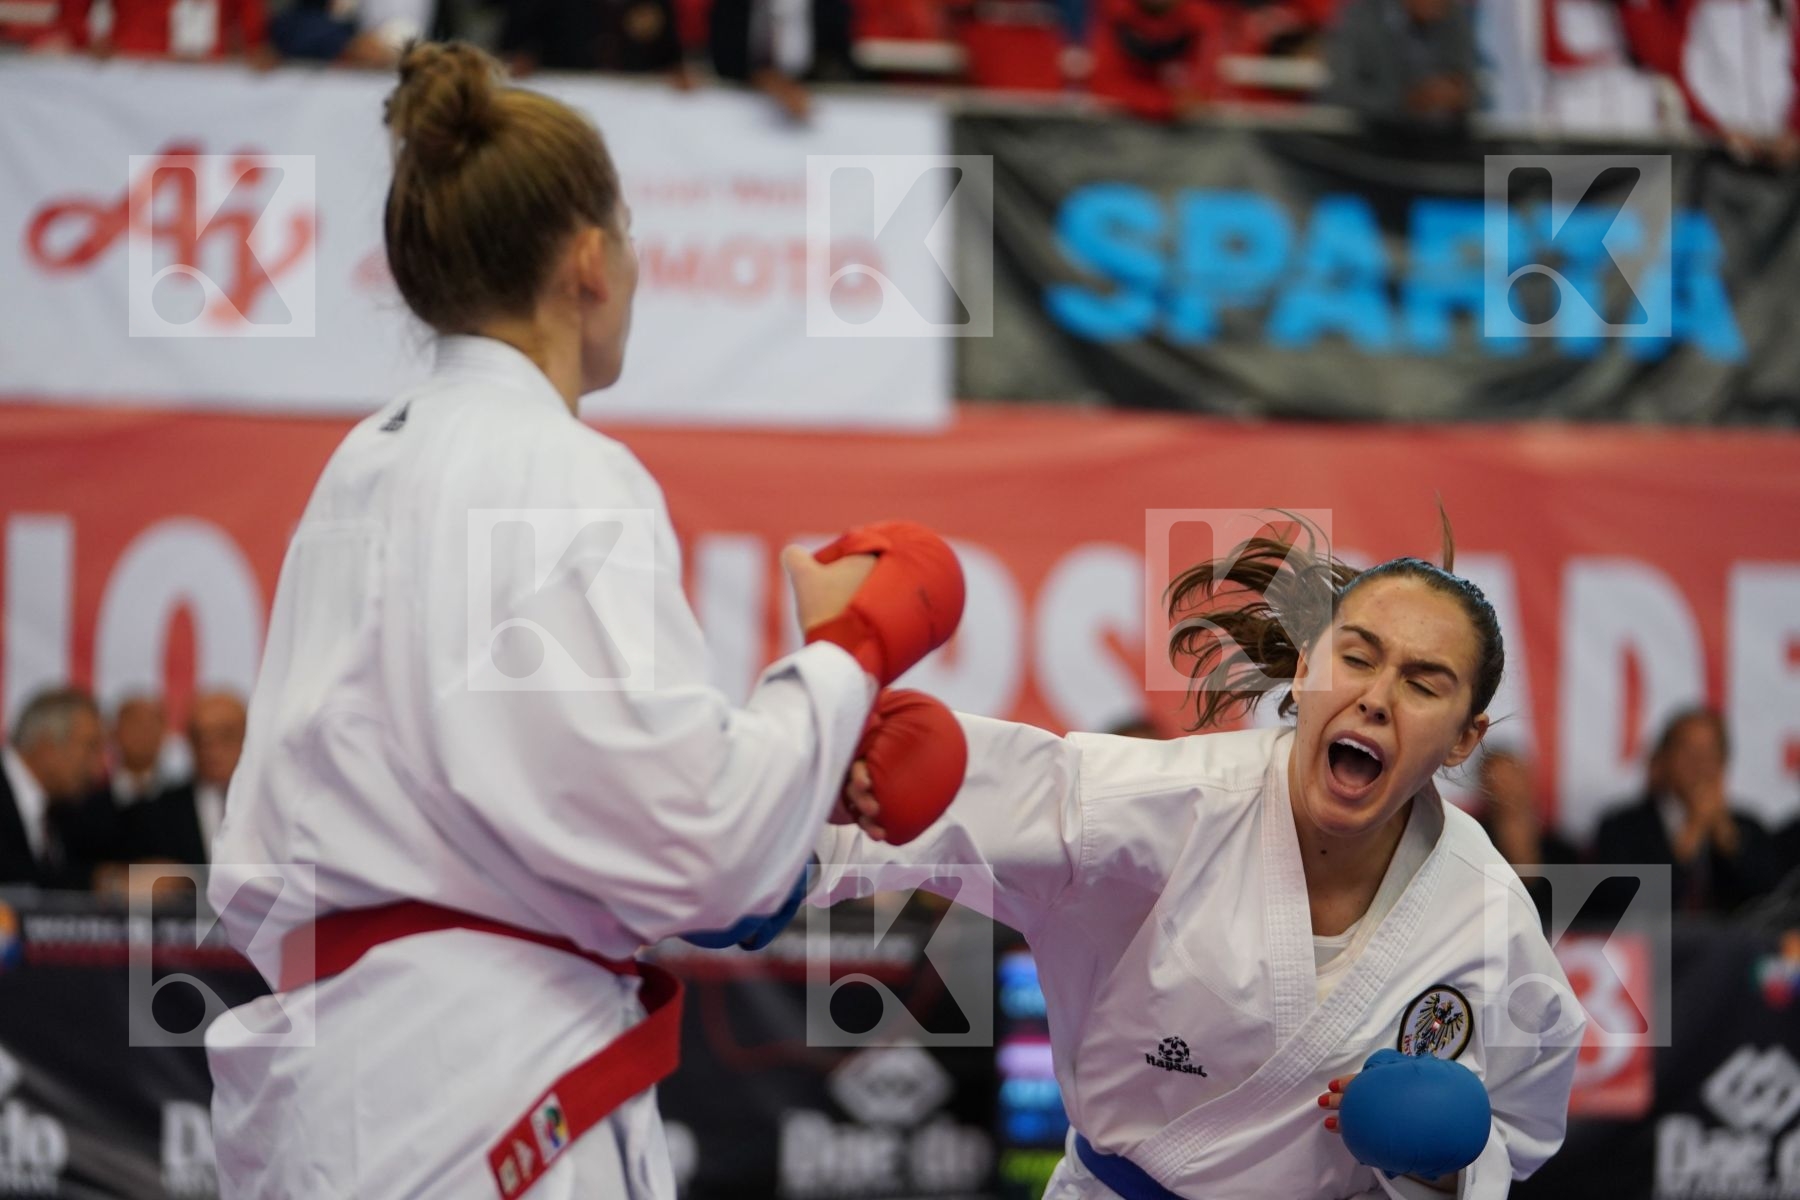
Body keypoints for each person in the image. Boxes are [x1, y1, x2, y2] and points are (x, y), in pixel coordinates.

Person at [203, 41, 964, 1200]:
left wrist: (789, 829)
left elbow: (564, 803)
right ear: (591, 262)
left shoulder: (360, 467)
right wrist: (848, 653)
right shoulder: (564, 470)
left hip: (342, 1076)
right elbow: (691, 837)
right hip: (475, 1081)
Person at [815, 525, 1584, 1198]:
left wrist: (1442, 1159)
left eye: (1423, 684)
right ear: (1309, 665)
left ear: (1462, 740)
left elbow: (1517, 1131)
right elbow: (956, 792)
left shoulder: (1486, 915)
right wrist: (775, 849)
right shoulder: (1165, 807)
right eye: (1357, 658)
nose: (1378, 698)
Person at [1591, 707, 1785, 915]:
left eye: (1712, 752)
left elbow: (1773, 903)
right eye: (1688, 751)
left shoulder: (1748, 828)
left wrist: (1727, 837)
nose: (1701, 764)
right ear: (1663, 758)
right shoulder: (1621, 828)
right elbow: (1620, 906)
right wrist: (1691, 833)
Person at [1, 687, 123, 889]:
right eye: (91, 747)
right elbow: (11, 880)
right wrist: (103, 882)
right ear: (47, 747)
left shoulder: (63, 812)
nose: (100, 766)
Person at [127, 690, 246, 865]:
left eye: (225, 735)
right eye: (200, 736)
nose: (211, 748)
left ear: (247, 737)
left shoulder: (273, 805)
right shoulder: (155, 812)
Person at [1325, 0, 1477, 129]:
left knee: (1496, 160)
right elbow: (1340, 92)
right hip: (1375, 139)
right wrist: (1404, 103)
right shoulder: (1361, 16)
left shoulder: (1453, 15)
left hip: (1444, 140)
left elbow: (1472, 86)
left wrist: (1458, 95)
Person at [1474, 746, 1579, 929]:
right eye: (1496, 780)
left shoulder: (1563, 852)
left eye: (1512, 777)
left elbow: (1584, 920)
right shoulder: (1473, 845)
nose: (1506, 789)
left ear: (1529, 780)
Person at [109, 692, 168, 808]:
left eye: (150, 726)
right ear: (114, 733)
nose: (141, 734)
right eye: (133, 724)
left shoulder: (182, 800)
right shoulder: (90, 798)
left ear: (163, 734)